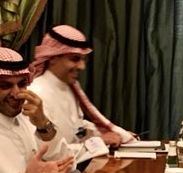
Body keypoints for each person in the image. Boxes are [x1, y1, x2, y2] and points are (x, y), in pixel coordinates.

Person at [29, 24, 135, 154]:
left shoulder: (69, 88)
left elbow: (78, 129)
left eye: (83, 60)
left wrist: (111, 134)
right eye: (75, 59)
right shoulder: (35, 94)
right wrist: (99, 142)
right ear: (53, 58)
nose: (81, 66)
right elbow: (51, 152)